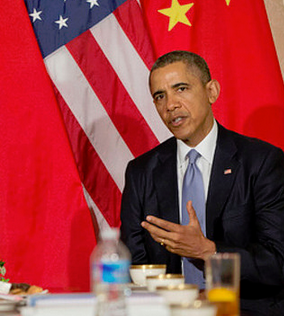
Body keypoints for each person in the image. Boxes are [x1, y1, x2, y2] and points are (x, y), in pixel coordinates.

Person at [120, 50, 284, 315]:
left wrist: (209, 252)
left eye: (181, 88)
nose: (170, 104)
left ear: (211, 92)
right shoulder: (141, 172)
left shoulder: (262, 162)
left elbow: (278, 262)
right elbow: (134, 267)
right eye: (159, 96)